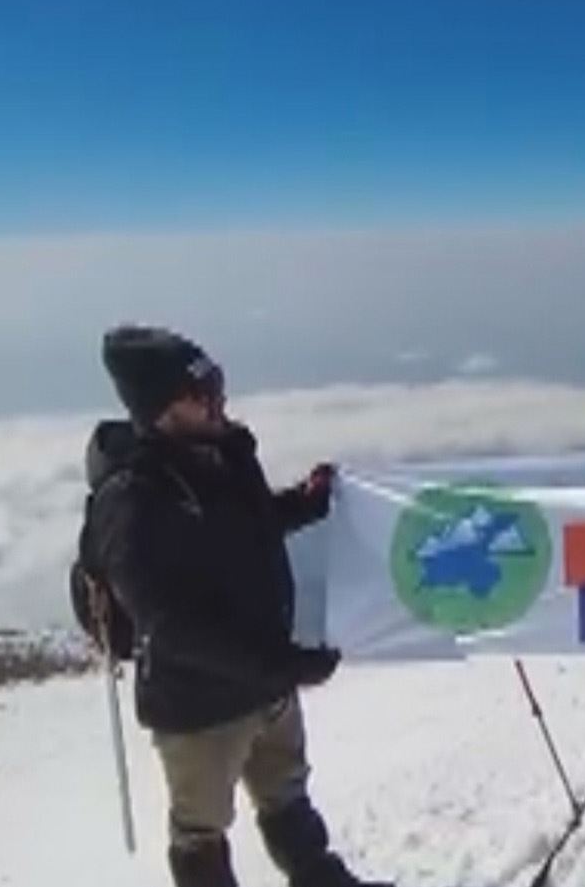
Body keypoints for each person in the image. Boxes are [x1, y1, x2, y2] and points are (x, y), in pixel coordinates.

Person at [87, 324, 390, 887]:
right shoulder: (132, 501)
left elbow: (243, 525)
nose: (217, 400)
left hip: (265, 682)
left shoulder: (222, 452)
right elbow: (169, 627)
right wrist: (282, 666)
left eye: (217, 384)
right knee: (201, 835)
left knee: (288, 799)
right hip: (198, 705)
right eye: (200, 392)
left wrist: (303, 504)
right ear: (160, 407)